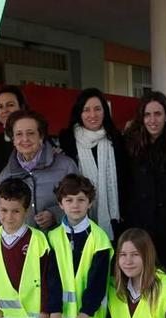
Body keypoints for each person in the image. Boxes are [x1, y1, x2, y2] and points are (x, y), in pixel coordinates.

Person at [121, 91, 166, 283]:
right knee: (141, 284)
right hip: (140, 227)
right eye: (147, 114)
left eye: (158, 114)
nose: (152, 120)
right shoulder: (130, 143)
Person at [40, 174, 112, 318]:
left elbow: (98, 281)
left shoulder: (100, 238)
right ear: (60, 204)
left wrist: (86, 312)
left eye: (81, 200)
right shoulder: (52, 236)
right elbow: (50, 278)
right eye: (69, 200)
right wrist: (53, 309)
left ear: (90, 203)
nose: (75, 205)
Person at [0, 179, 51, 318]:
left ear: (27, 211)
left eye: (16, 211)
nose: (9, 217)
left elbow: (47, 279)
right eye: (4, 210)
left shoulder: (39, 239)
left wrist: (45, 311)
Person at [0, 110, 78, 231]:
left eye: (31, 133)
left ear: (41, 136)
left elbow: (81, 203)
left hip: (59, 244)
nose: (25, 139)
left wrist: (55, 215)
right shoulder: (7, 173)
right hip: (23, 246)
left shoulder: (65, 166)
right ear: (13, 140)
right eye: (19, 134)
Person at [58, 88, 127, 240]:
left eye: (97, 109)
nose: (92, 115)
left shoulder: (117, 139)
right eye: (86, 110)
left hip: (115, 220)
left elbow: (126, 178)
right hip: (78, 220)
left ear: (105, 112)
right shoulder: (67, 140)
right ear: (79, 113)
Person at [0, 85, 29, 173]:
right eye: (0, 107)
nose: (5, 110)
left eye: (10, 105)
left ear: (21, 107)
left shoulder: (37, 136)